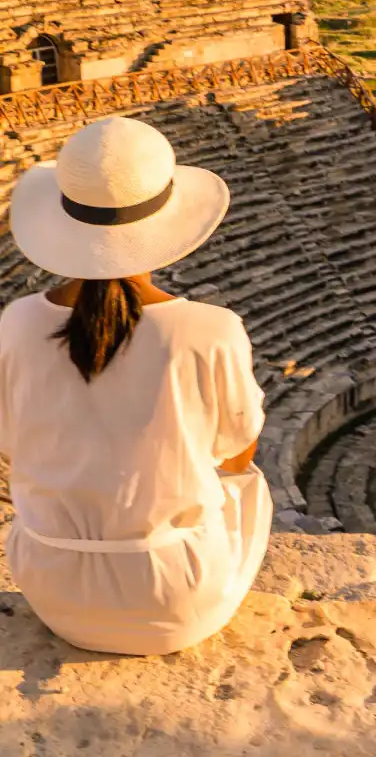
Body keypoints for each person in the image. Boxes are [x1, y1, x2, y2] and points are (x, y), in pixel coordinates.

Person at [0, 115, 271, 655]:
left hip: (52, 588)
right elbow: (237, 456)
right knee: (246, 488)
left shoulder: (14, 323)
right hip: (175, 597)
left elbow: (10, 447)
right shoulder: (209, 329)